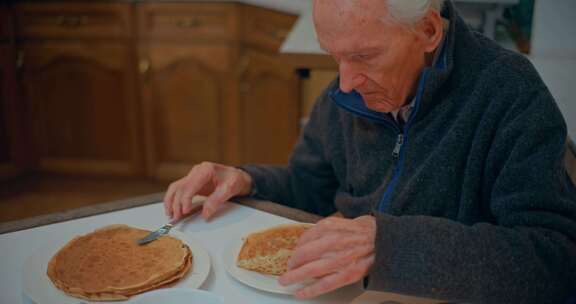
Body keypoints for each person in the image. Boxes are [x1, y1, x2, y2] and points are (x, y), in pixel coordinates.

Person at [163, 0, 576, 303]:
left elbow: (555, 260)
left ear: (429, 32)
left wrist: (390, 245)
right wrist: (247, 179)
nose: (345, 83)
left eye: (364, 56)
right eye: (335, 57)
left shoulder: (509, 93)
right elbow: (312, 187)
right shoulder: (347, 93)